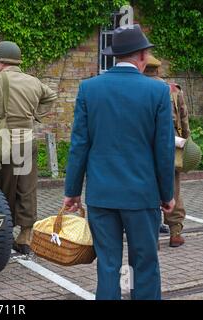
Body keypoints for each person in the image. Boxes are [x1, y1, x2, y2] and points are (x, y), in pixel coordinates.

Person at [63, 25, 175, 300]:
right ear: (140, 55)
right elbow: (164, 149)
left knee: (108, 265)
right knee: (145, 264)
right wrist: (167, 194)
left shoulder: (89, 88)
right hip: (142, 195)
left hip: (102, 196)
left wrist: (72, 191)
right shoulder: (157, 91)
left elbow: (79, 145)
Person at [0, 41, 57, 254]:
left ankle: (4, 233)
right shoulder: (32, 81)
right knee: (27, 188)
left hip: (4, 140)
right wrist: (34, 115)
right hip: (27, 139)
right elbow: (50, 97)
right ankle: (25, 236)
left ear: (2, 61)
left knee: (4, 188)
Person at [144, 55, 190, 247]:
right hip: (171, 142)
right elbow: (184, 119)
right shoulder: (173, 89)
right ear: (158, 70)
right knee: (173, 186)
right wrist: (186, 141)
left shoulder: (139, 88)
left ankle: (151, 234)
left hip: (144, 143)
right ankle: (175, 232)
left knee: (148, 186)